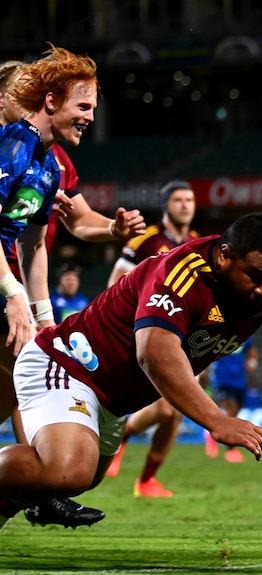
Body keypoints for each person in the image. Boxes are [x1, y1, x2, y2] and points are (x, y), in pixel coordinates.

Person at [0, 212, 262, 531]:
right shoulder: (180, 273)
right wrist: (216, 420)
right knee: (67, 472)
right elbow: (156, 354)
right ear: (224, 256)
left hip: (111, 397)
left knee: (80, 477)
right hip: (68, 364)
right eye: (256, 277)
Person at [0, 50, 145, 528]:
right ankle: (44, 487)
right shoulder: (12, 145)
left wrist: (43, 319)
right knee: (22, 381)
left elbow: (36, 246)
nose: (89, 118)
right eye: (82, 108)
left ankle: (42, 487)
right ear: (50, 100)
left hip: (8, 287)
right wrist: (13, 295)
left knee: (20, 381)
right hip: (3, 289)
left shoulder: (50, 166)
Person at [105, 180, 199, 496]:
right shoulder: (146, 239)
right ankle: (126, 444)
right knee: (166, 408)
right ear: (166, 206)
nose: (185, 205)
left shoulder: (198, 243)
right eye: (179, 200)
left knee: (176, 410)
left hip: (184, 336)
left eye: (190, 199)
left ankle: (146, 479)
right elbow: (116, 282)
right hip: (144, 330)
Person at [202, 337, 259, 463]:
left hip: (239, 379)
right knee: (230, 409)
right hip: (222, 378)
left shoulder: (246, 334)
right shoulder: (223, 330)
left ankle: (211, 433)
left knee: (236, 410)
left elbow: (252, 350)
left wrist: (252, 362)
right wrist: (205, 369)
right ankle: (230, 449)